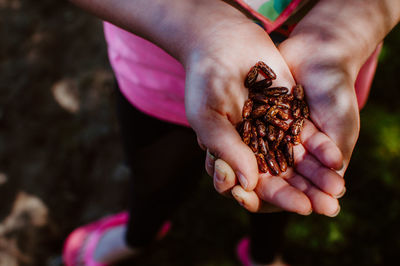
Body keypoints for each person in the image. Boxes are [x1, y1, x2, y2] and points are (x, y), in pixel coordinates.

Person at [62, 0, 400, 265]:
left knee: (283, 194)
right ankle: (139, 233)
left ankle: (263, 254)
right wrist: (198, 27)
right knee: (155, 178)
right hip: (156, 68)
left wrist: (344, 31)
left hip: (320, 57)